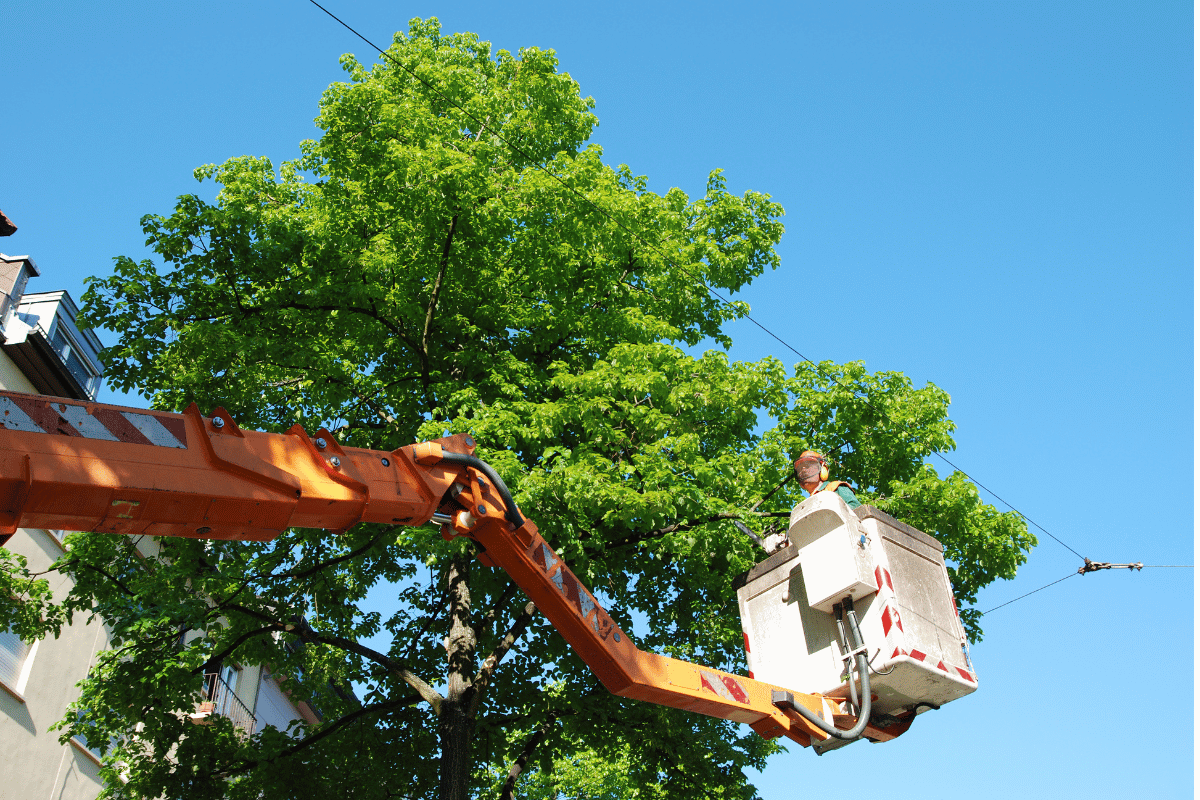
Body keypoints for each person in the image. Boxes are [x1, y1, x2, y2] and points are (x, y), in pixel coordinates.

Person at [793, 450, 861, 509]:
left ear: (823, 469)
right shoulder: (806, 506)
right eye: (800, 469)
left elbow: (857, 509)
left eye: (808, 466)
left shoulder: (835, 487)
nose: (803, 470)